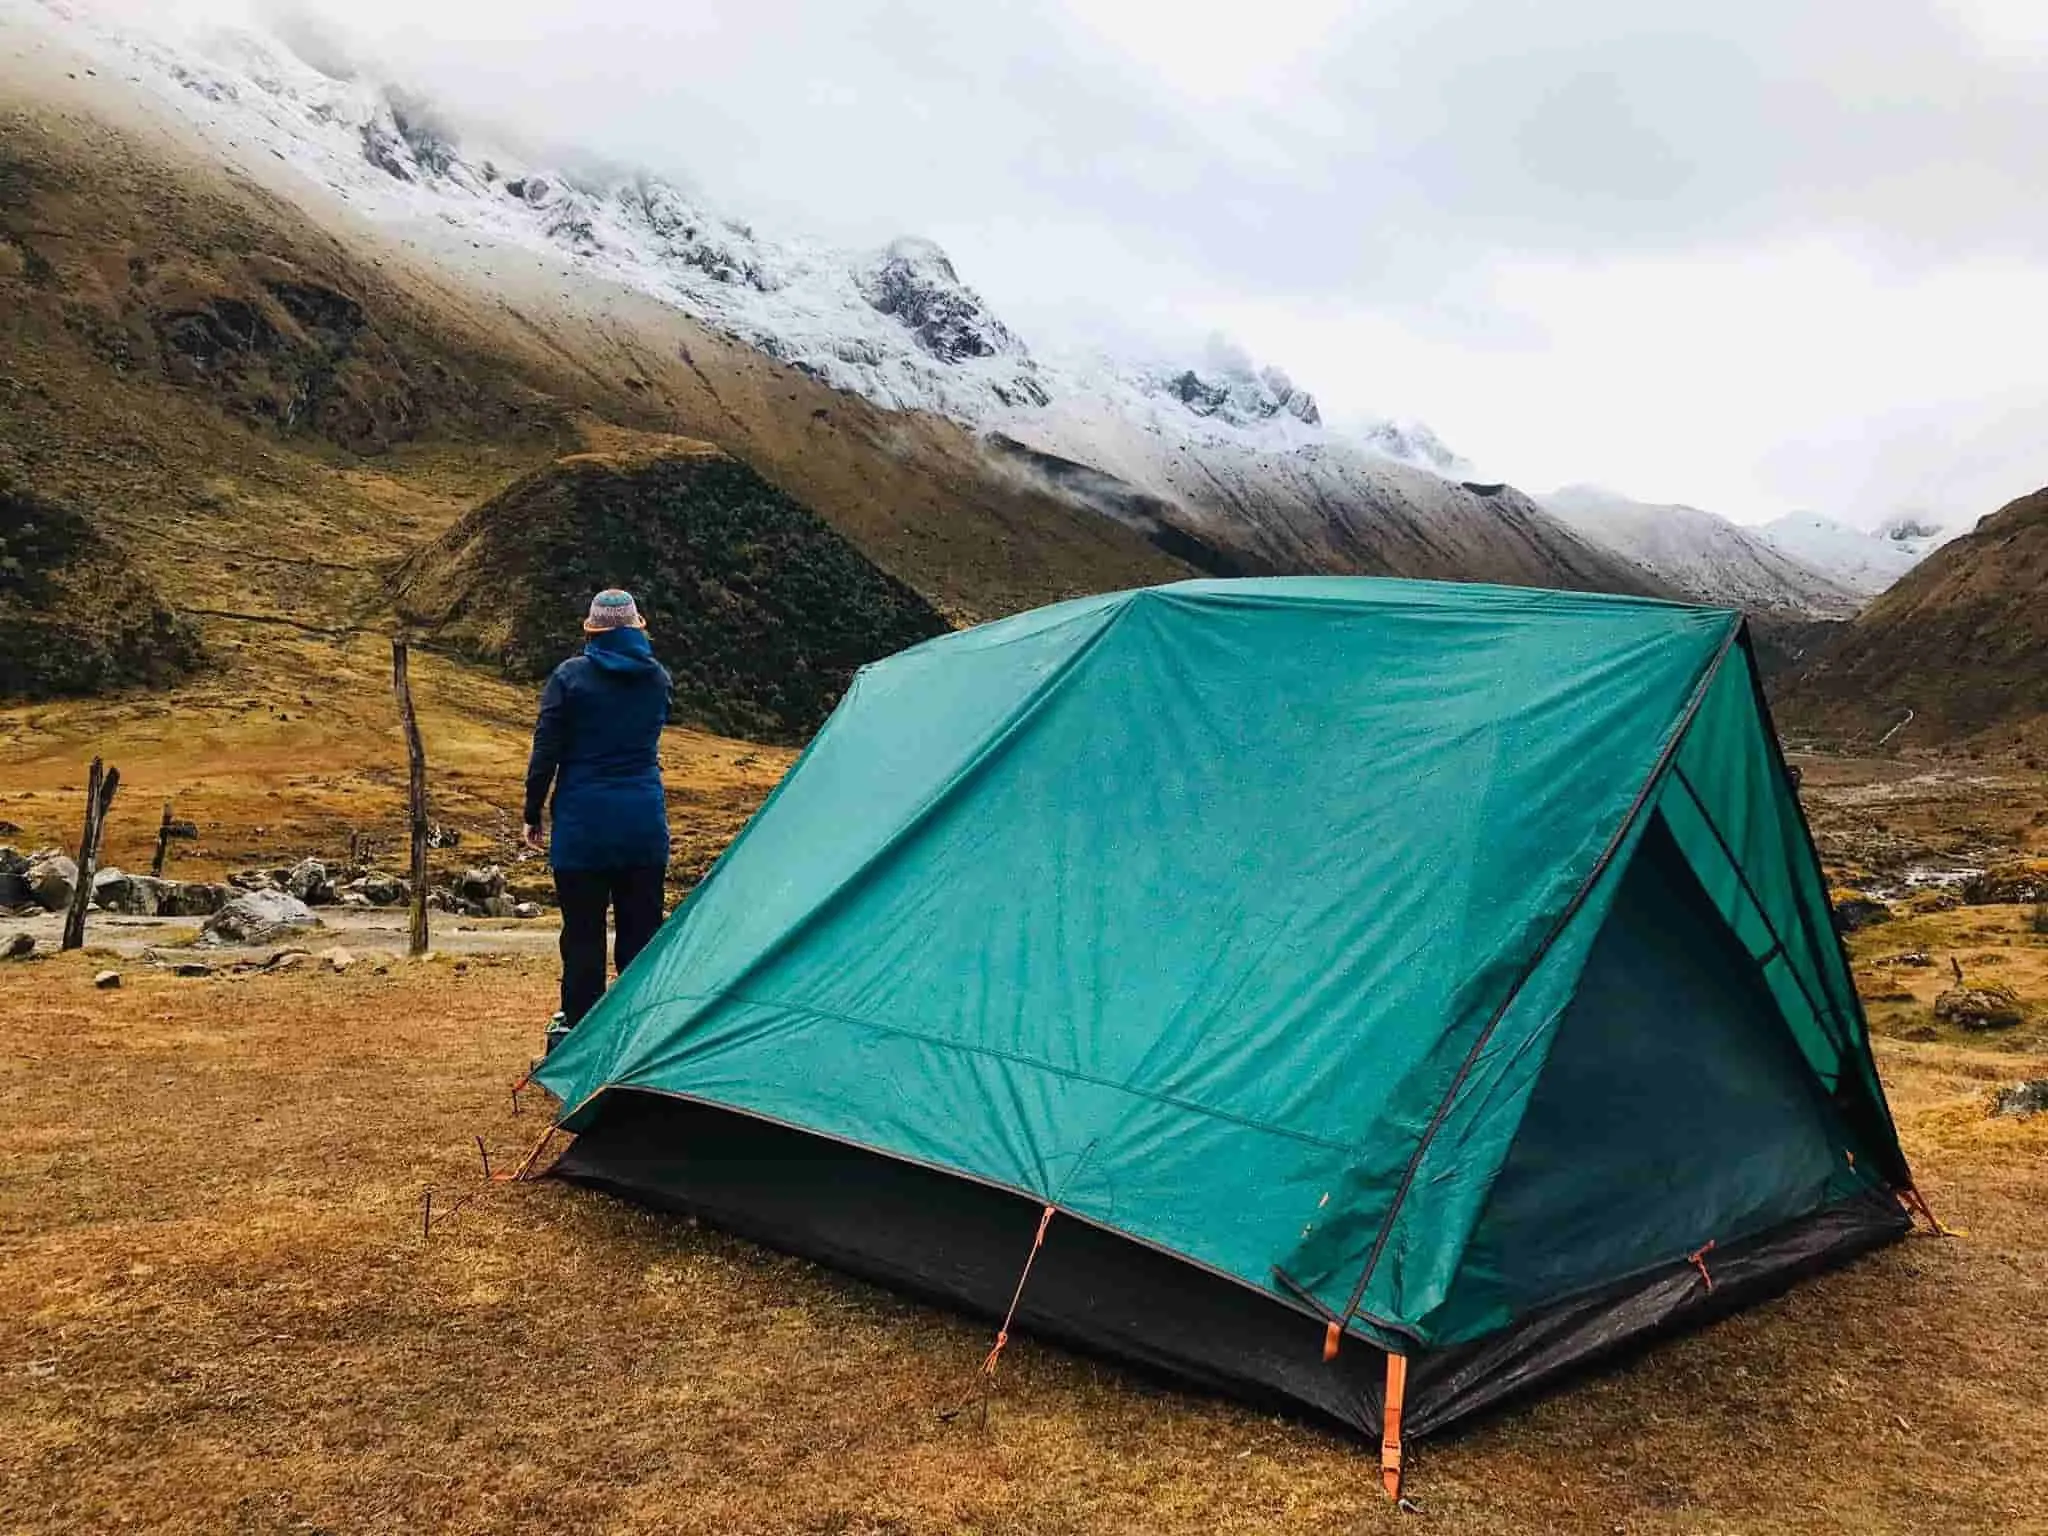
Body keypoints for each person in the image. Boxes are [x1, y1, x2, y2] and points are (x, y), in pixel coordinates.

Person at [523, 588, 673, 1039]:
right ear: (636, 627)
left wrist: (533, 812)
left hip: (582, 827)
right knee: (642, 938)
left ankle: (580, 1036)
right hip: (643, 825)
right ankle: (639, 1037)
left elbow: (546, 752)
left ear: (592, 631)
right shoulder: (657, 679)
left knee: (583, 937)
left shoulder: (569, 678)